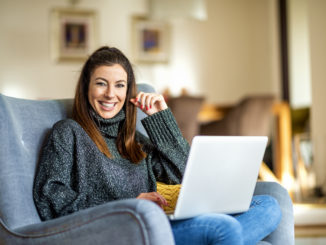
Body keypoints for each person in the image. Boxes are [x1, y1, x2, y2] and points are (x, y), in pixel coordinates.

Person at [33, 46, 281, 245]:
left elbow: (184, 175)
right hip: (125, 230)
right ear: (86, 88)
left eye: (119, 85)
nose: (110, 94)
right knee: (224, 228)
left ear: (128, 91)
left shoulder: (134, 141)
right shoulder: (68, 133)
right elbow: (51, 200)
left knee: (269, 206)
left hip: (163, 224)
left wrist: (162, 118)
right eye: (101, 83)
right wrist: (128, 203)